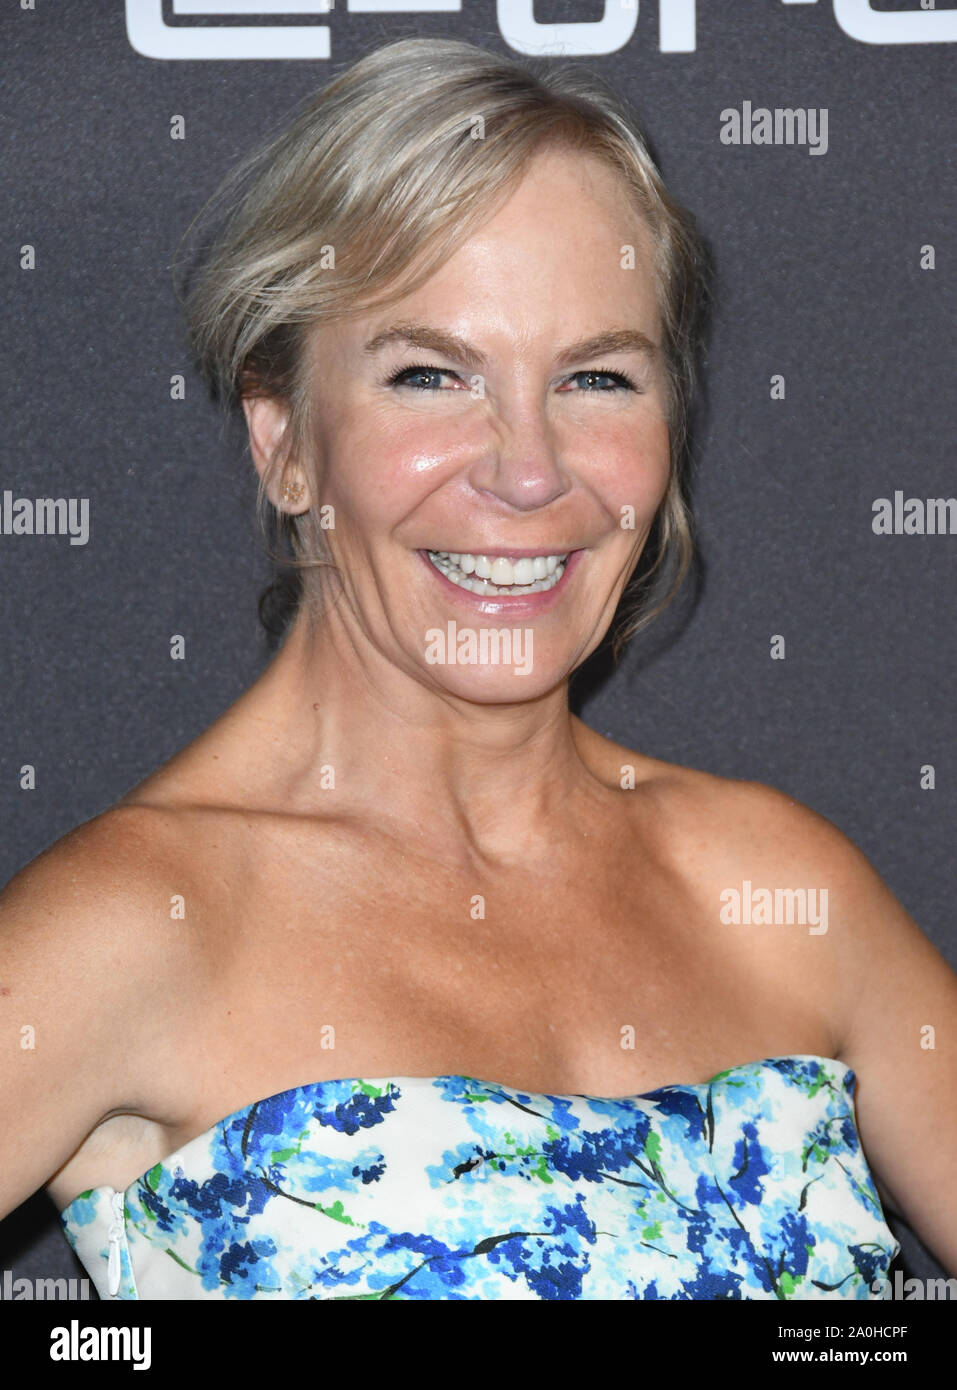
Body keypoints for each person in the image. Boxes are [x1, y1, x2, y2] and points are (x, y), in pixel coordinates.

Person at [1, 36, 954, 1301]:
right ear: (284, 440)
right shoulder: (131, 927)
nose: (526, 469)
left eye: (597, 376)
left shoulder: (781, 891)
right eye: (431, 374)